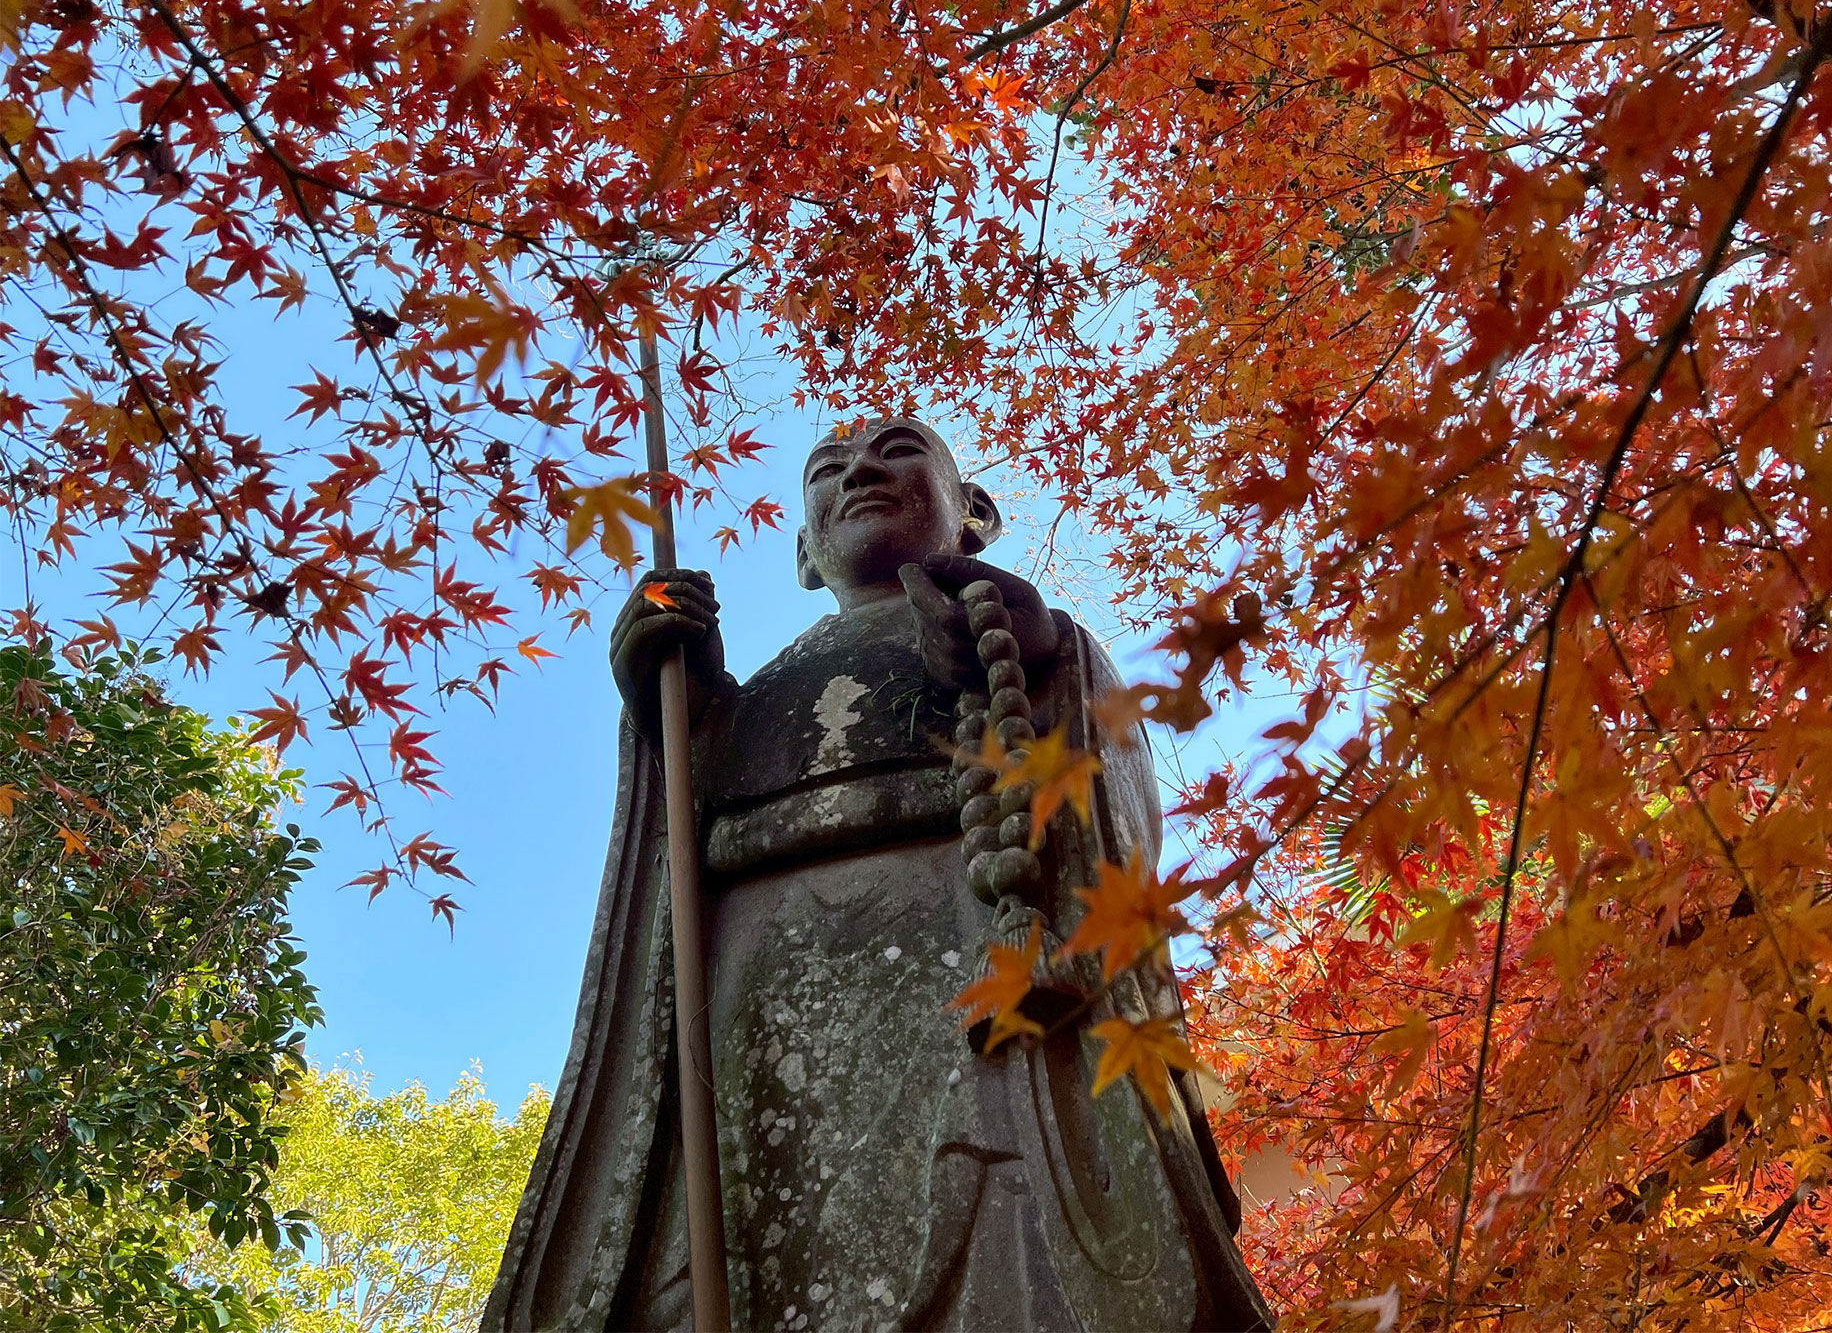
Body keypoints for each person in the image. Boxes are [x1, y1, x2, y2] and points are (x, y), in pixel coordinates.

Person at [483, 419, 1269, 1332]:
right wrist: (673, 712)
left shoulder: (1018, 637)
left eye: (897, 451)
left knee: (1003, 1228)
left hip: (971, 972)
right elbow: (674, 859)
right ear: (803, 556)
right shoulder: (749, 698)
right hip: (759, 993)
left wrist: (1037, 651)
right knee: (749, 1238)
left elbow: (1112, 800)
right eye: (827, 468)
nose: (859, 469)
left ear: (972, 512)